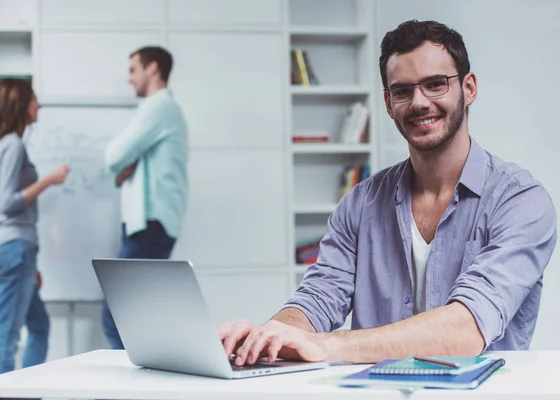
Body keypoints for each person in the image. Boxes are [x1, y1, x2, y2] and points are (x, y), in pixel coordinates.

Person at [219, 20, 558, 366]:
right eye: (402, 91)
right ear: (387, 102)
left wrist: (326, 346)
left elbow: (467, 328)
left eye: (436, 85)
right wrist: (266, 337)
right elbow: (318, 299)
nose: (419, 102)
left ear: (468, 88)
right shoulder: (360, 203)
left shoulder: (521, 202)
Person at [0, 79, 70, 375]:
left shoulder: (3, 144)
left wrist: (30, 266)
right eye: (34, 100)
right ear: (21, 104)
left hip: (15, 249)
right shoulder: (13, 145)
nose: (38, 105)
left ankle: (25, 392)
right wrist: (48, 180)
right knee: (8, 333)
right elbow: (6, 203)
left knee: (39, 326)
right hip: (14, 246)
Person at [102, 46, 188, 349]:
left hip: (149, 226)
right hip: (150, 226)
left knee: (118, 317)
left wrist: (127, 159)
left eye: (132, 70)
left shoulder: (159, 107)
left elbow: (114, 156)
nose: (129, 79)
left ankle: (130, 393)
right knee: (137, 318)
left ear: (153, 68)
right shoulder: (162, 111)